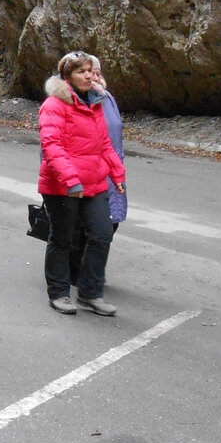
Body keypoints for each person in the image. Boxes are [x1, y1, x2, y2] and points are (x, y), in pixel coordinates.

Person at [39, 51, 126, 317]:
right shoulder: (54, 105)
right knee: (63, 239)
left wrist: (117, 174)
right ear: (67, 76)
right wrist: (71, 181)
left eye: (90, 70)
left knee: (101, 235)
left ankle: (90, 293)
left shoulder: (95, 102)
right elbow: (51, 146)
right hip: (63, 186)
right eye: (82, 71)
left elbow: (104, 144)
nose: (89, 76)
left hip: (95, 182)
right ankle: (59, 294)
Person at [69, 54, 127, 285]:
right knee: (84, 228)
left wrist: (117, 171)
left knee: (109, 225)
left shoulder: (107, 98)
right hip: (84, 175)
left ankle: (89, 277)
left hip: (111, 173)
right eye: (87, 72)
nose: (93, 76)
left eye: (97, 72)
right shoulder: (72, 101)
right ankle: (78, 277)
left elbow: (111, 140)